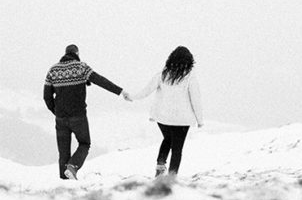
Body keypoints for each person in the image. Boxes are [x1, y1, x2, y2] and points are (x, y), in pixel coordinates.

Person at [43, 44, 131, 180]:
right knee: (84, 143)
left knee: (63, 152)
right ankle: (72, 167)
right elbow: (101, 80)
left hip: (61, 118)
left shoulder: (53, 70)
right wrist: (120, 91)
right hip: (78, 116)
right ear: (77, 53)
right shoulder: (81, 67)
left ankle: (64, 183)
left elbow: (47, 97)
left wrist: (57, 112)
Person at [131, 46, 203, 177]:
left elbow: (146, 91)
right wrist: (200, 120)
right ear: (189, 61)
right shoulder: (190, 78)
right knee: (177, 149)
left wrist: (132, 97)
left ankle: (160, 165)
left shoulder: (161, 75)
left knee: (167, 139)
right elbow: (196, 100)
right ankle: (171, 177)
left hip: (163, 118)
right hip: (182, 120)